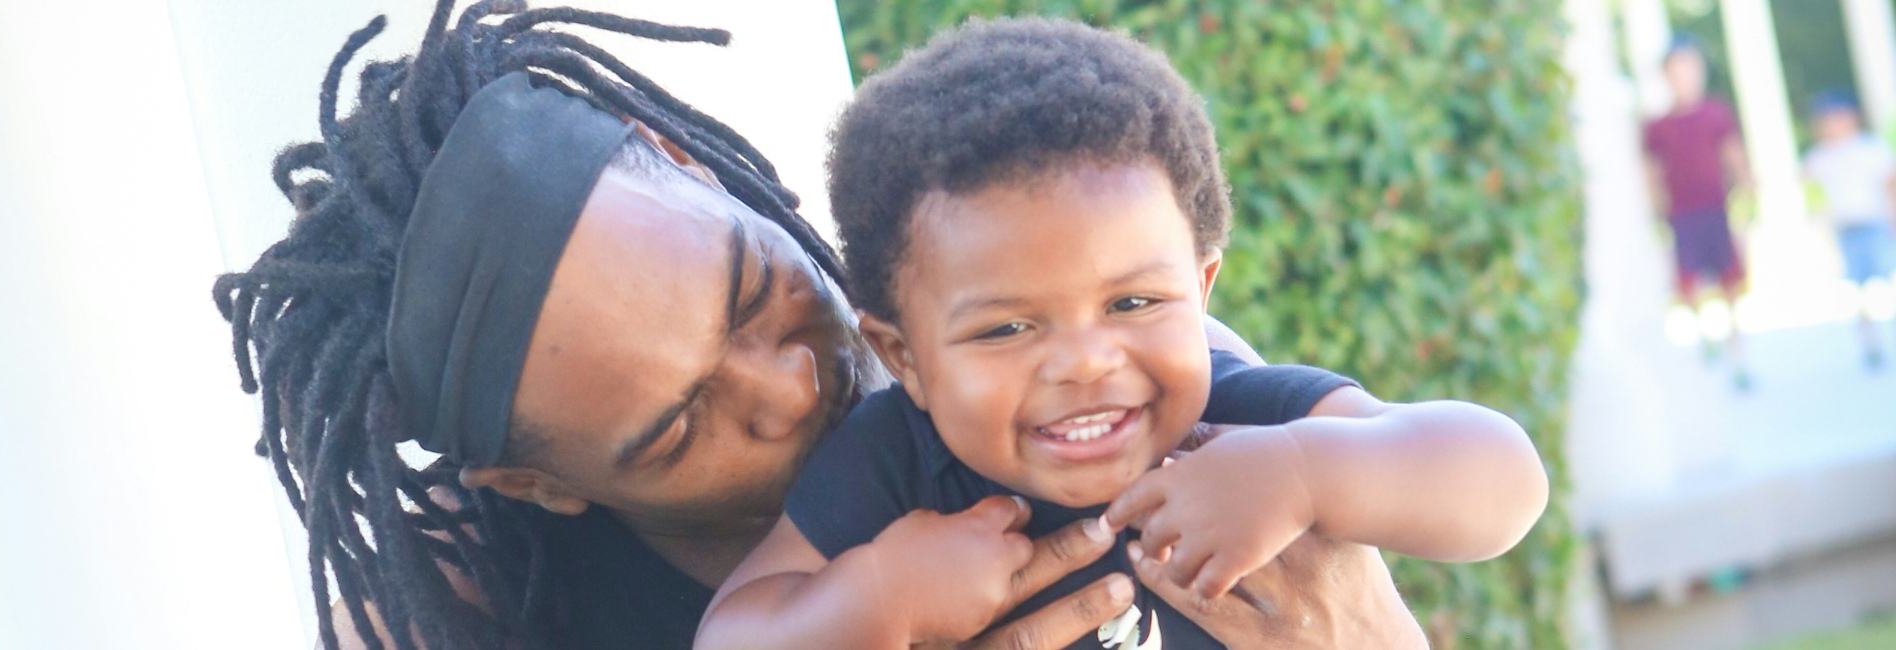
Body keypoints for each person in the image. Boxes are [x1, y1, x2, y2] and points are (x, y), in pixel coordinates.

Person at [215, 2, 1430, 648]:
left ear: (680, 156)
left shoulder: (1085, 387)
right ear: (535, 482)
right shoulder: (458, 618)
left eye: (754, 290)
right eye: (681, 419)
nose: (794, 381)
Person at [695, 19, 1549, 650]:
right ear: (904, 358)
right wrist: (879, 595)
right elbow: (733, 634)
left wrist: (1305, 473)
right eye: (1007, 327)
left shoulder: (1247, 425)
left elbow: (1505, 482)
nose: (1084, 362)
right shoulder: (897, 467)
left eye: (1134, 304)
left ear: (1202, 288)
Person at [1643, 37, 1755, 387]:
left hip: (1716, 207)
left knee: (1730, 281)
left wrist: (1748, 190)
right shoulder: (1656, 126)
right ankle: (1705, 338)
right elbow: (1652, 173)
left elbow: (1733, 153)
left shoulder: (1715, 112)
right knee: (1688, 283)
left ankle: (1736, 350)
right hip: (1682, 213)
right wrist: (1657, 214)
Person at [1800, 89, 1896, 368]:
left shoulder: (1871, 148)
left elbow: (1889, 185)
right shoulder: (1819, 157)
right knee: (1857, 291)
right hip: (1845, 229)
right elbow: (1810, 190)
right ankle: (1870, 344)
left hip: (1875, 223)